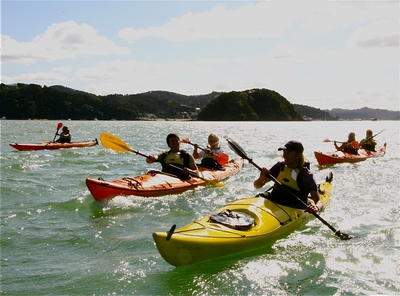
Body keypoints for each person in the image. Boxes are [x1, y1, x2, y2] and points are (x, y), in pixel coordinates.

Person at [253, 140, 323, 214]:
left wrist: (316, 207)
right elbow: (257, 186)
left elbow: (319, 201)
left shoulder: (306, 175)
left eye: (288, 153)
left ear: (298, 155)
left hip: (294, 206)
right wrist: (261, 178)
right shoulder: (280, 166)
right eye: (284, 153)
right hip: (273, 199)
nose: (284, 156)